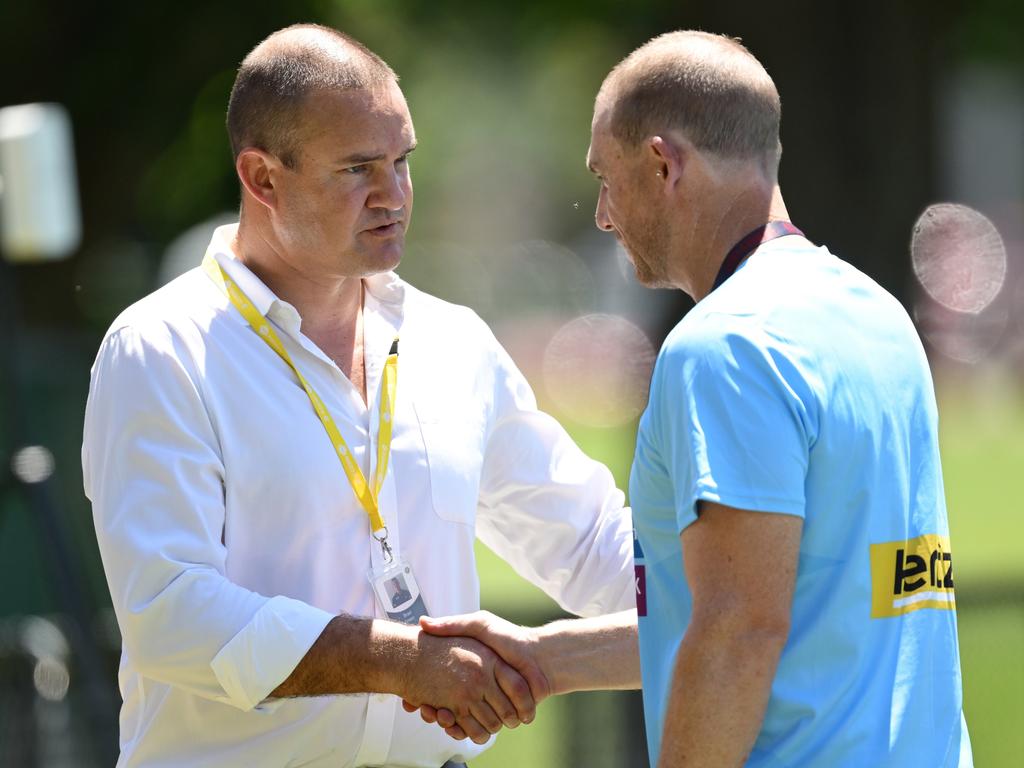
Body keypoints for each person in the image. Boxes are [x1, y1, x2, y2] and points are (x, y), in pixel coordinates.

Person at [81, 23, 638, 768]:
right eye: (357, 169)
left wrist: (759, 588)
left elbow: (594, 544)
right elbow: (170, 614)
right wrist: (397, 659)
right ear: (262, 179)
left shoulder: (454, 342)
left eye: (403, 161)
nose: (394, 195)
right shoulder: (159, 348)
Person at [417, 30, 973, 767]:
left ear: (661, 164)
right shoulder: (876, 315)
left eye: (605, 180)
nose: (603, 216)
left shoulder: (724, 347)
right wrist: (546, 660)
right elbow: (804, 599)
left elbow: (738, 630)